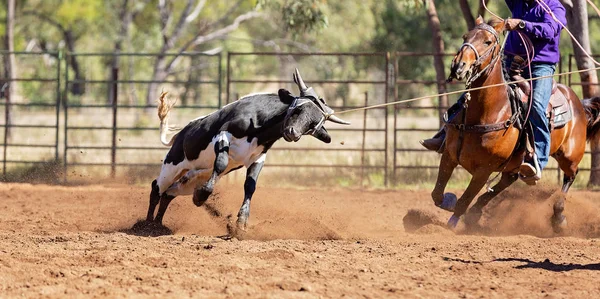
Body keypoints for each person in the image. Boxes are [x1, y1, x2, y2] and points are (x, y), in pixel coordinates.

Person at [420, 0, 566, 185]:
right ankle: (444, 135)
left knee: (536, 105)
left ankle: (537, 160)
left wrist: (521, 24)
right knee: (474, 91)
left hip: (540, 66)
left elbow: (551, 29)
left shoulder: (554, 7)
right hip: (511, 61)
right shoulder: (520, 3)